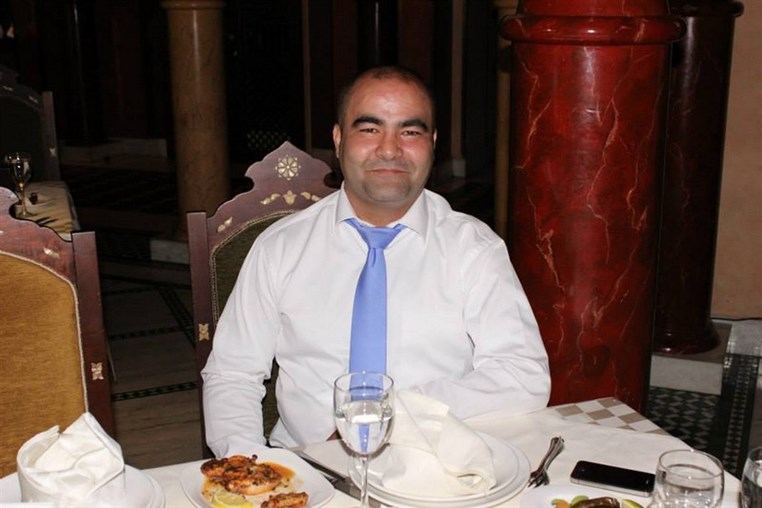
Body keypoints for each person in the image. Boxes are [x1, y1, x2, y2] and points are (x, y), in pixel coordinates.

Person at [201, 65, 550, 456]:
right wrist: (249, 467)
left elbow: (523, 376)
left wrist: (391, 416)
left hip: (437, 462)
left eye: (410, 132)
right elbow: (232, 374)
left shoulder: (474, 249)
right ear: (338, 140)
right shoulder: (280, 248)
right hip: (308, 467)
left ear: (433, 143)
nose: (389, 149)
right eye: (369, 129)